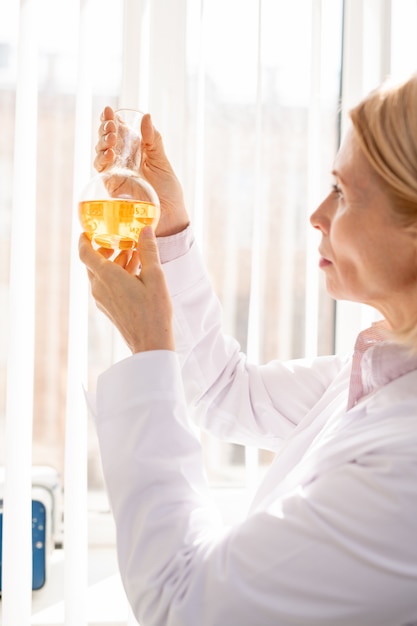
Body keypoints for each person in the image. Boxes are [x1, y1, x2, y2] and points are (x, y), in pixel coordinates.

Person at [79, 73, 417, 626]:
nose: (317, 214)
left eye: (344, 192)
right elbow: (225, 391)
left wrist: (150, 348)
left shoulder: (405, 466)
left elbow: (183, 604)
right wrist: (167, 227)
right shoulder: (383, 368)